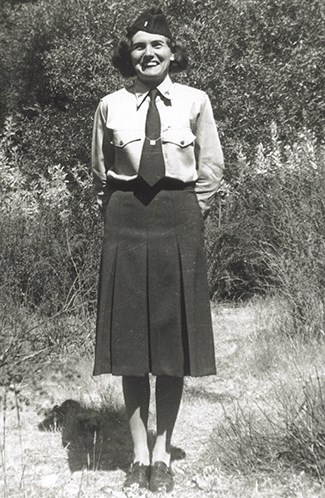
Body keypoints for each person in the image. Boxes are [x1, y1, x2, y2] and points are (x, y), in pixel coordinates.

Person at [91, 6, 224, 493]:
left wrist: (186, 216)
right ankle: (138, 456)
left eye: (158, 45)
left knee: (171, 343)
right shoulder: (110, 104)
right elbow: (100, 170)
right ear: (129, 54)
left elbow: (210, 171)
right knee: (130, 345)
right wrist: (120, 214)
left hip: (178, 220)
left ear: (173, 52)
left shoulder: (195, 101)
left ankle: (163, 454)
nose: (148, 53)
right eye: (139, 46)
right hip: (125, 222)